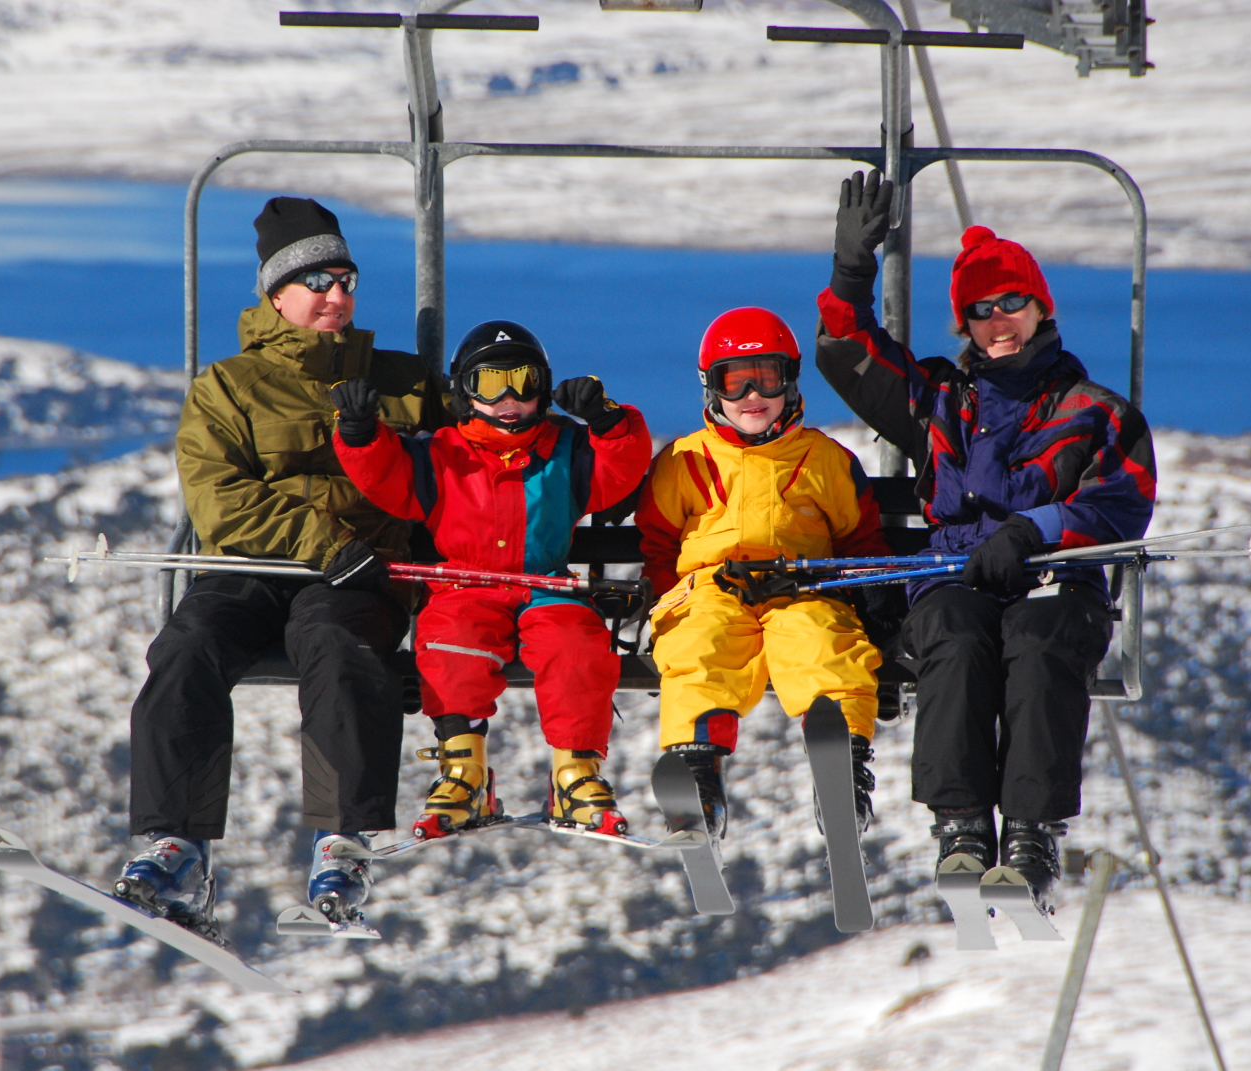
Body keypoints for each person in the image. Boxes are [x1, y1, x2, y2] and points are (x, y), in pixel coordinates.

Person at [814, 172, 1156, 907]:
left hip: (1053, 580)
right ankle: (963, 825)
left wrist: (1038, 529)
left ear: (1040, 309)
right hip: (955, 577)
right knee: (951, 630)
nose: (999, 320)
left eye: (1012, 304)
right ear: (964, 323)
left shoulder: (1092, 410)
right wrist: (852, 270)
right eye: (981, 309)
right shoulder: (939, 400)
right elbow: (849, 356)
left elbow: (1123, 500)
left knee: (1037, 639)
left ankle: (1030, 832)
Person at [113, 196, 446, 936]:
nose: (338, 296)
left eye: (347, 280)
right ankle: (178, 842)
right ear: (276, 293)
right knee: (186, 644)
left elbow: (479, 459)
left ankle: (342, 839)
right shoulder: (228, 386)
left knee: (339, 645)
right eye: (319, 281)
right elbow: (219, 498)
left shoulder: (402, 382)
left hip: (360, 576)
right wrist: (326, 546)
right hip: (256, 566)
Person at [330, 321, 652, 837]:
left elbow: (622, 470)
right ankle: (463, 770)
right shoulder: (441, 453)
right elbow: (386, 478)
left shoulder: (565, 450)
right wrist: (360, 432)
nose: (508, 399)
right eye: (488, 384)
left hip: (546, 584)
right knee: (451, 645)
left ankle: (576, 773)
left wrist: (607, 420)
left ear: (544, 389)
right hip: (466, 587)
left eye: (523, 382)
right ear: (463, 392)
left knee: (578, 647)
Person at [636, 306, 891, 838]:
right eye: (736, 381)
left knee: (820, 641)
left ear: (790, 380)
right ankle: (697, 773)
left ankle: (840, 766)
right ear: (712, 387)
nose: (753, 395)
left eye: (767, 378)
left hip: (801, 585)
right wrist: (663, 600)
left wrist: (872, 606)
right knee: (699, 644)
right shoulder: (685, 460)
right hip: (711, 586)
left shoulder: (824, 460)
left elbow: (860, 541)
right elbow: (658, 542)